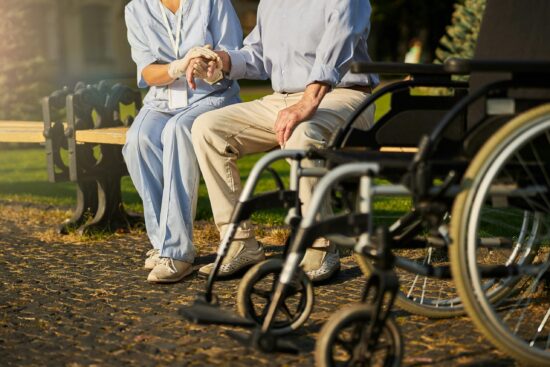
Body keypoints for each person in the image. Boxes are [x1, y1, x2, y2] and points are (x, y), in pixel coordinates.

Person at [189, 0, 379, 282]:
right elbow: (256, 56)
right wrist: (221, 60)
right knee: (207, 128)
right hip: (282, 99)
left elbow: (339, 46)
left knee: (303, 134)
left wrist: (307, 102)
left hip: (345, 96)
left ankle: (321, 244)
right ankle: (240, 242)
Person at [123, 0, 242, 283]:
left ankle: (176, 252)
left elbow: (233, 54)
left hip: (213, 96)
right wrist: (178, 66)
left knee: (177, 131)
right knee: (138, 140)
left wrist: (210, 66)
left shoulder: (213, 2)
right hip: (162, 99)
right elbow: (148, 72)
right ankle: (164, 241)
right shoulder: (136, 8)